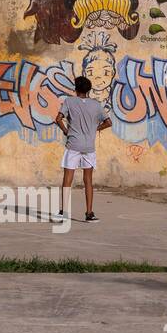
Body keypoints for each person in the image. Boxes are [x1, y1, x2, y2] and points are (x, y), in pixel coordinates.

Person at [53, 74, 110, 222]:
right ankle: (89, 213)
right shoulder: (96, 105)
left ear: (76, 88)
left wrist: (66, 131)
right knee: (88, 180)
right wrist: (96, 128)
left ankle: (64, 212)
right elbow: (108, 122)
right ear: (89, 90)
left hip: (73, 144)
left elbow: (58, 119)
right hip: (89, 146)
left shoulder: (69, 101)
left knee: (67, 179)